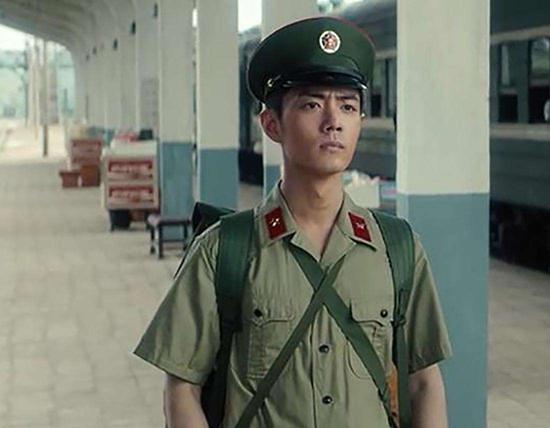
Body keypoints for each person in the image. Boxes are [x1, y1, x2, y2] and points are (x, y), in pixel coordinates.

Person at [133, 16, 451, 428]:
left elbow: (423, 382)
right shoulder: (224, 250)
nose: (333, 121)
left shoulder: (398, 248)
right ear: (271, 124)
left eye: (348, 106)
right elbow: (181, 388)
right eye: (311, 104)